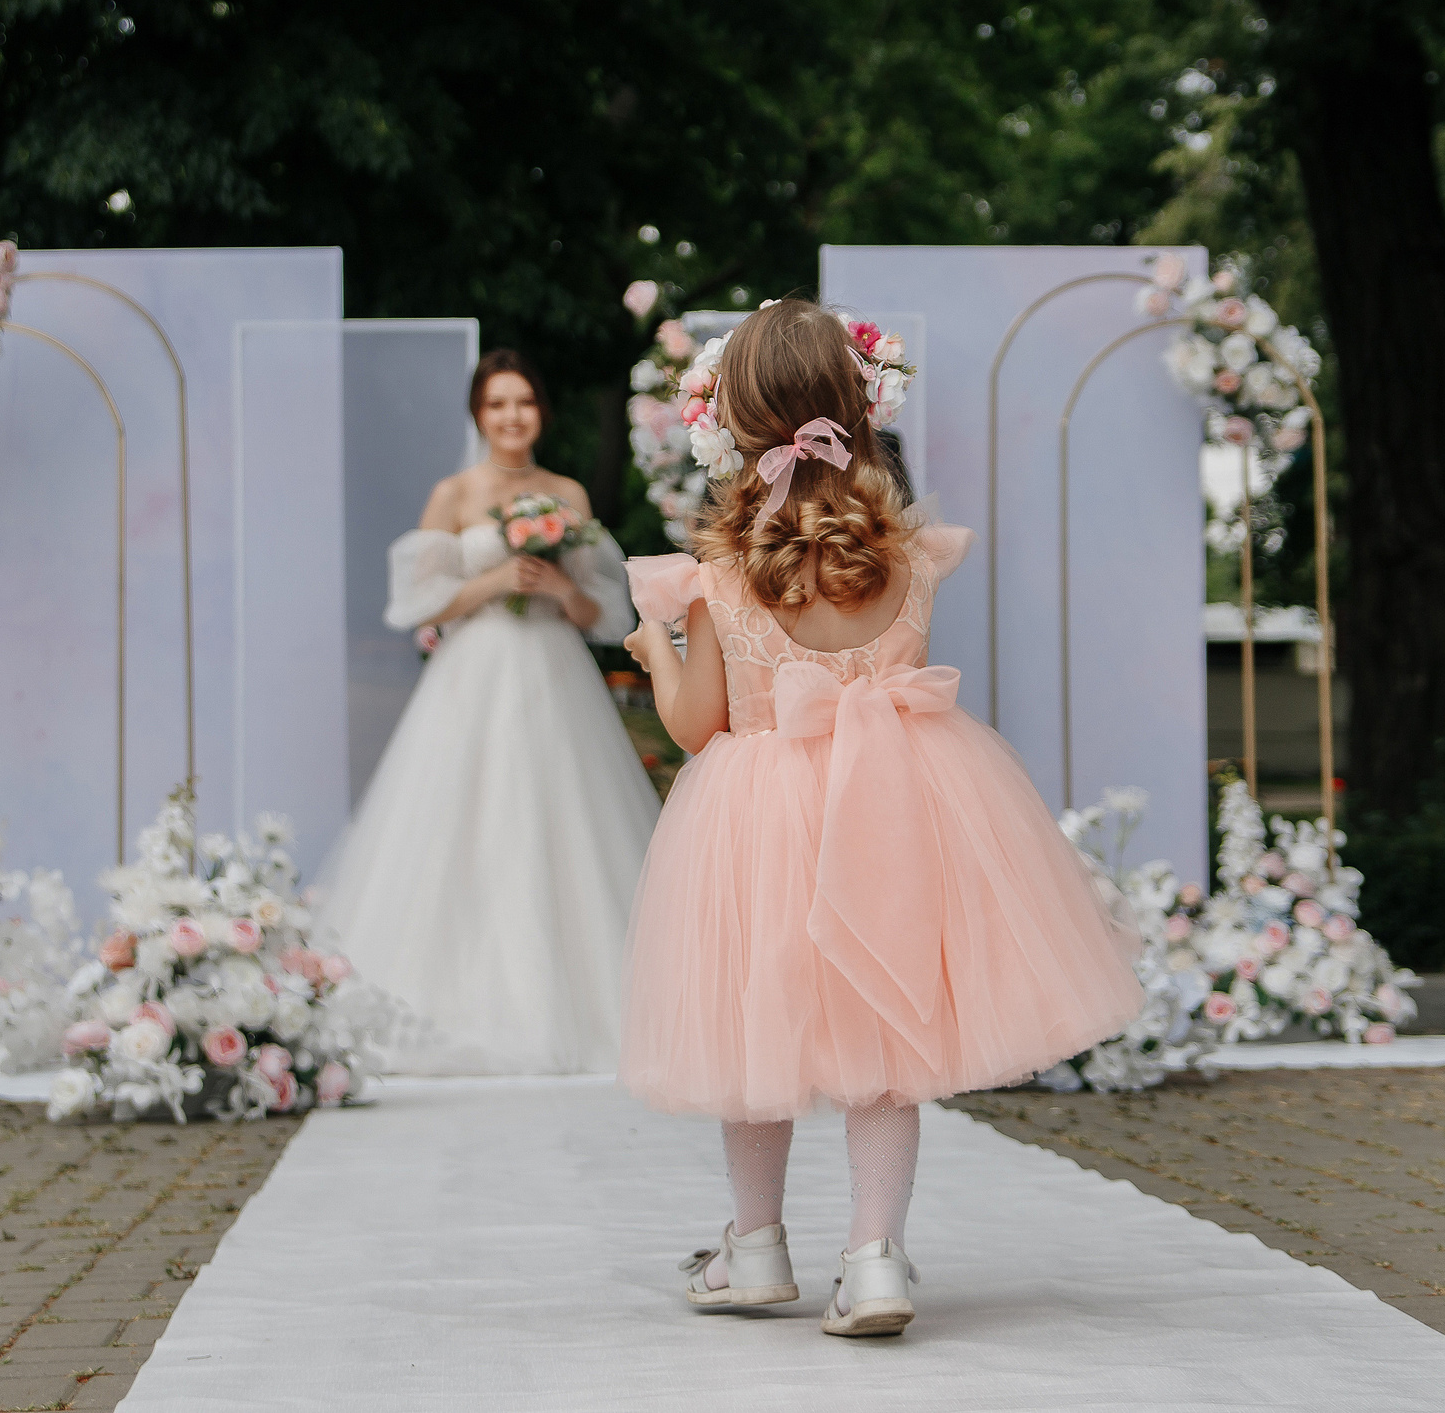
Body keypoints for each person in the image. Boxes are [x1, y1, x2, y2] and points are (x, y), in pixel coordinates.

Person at [620, 299, 1144, 1338]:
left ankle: (756, 1246)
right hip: (891, 808)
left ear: (733, 415)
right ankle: (873, 1262)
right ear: (856, 407)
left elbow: (694, 729)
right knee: (884, 1026)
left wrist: (655, 648)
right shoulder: (905, 555)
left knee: (754, 1025)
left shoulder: (725, 577)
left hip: (758, 823)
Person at [316, 349, 660, 1073]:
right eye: (498, 403)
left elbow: (600, 611)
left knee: (561, 814)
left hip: (553, 666)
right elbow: (417, 603)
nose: (512, 416)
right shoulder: (455, 493)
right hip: (474, 672)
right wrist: (498, 578)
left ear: (542, 412)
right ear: (479, 412)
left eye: (524, 402)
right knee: (458, 818)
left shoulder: (567, 491)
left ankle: (586, 1002)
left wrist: (559, 589)